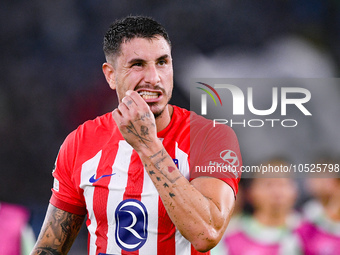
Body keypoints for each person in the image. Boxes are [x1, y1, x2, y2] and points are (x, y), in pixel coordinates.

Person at [30, 15, 242, 255]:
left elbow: (207, 234)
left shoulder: (211, 136)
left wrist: (147, 144)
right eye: (137, 64)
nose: (154, 78)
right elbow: (49, 248)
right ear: (111, 75)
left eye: (162, 62)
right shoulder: (81, 141)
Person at [212, 158, 302, 255]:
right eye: (269, 184)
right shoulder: (229, 236)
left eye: (282, 184)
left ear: (295, 190)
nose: (277, 192)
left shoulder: (310, 231)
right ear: (251, 192)